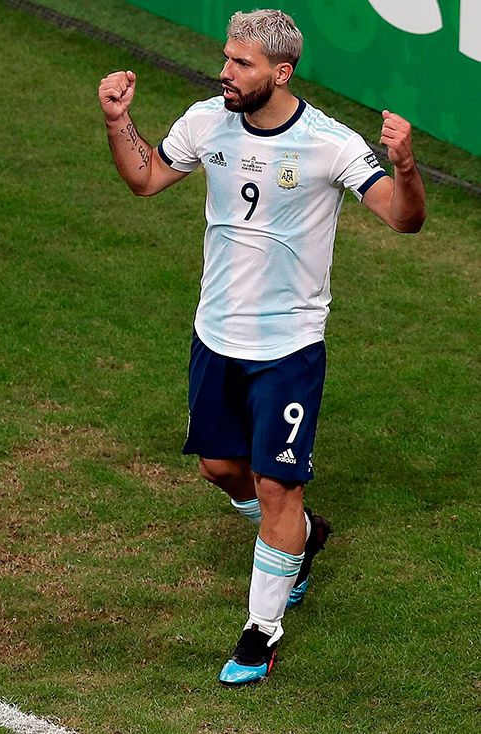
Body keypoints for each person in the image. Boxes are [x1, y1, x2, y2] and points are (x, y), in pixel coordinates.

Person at [97, 10, 425, 685]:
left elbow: (403, 219)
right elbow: (146, 179)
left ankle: (260, 632)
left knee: (278, 483)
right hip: (216, 336)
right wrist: (115, 121)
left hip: (290, 346)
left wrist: (408, 166)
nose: (225, 72)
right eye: (226, 58)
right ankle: (302, 537)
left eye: (241, 64)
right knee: (220, 469)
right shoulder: (204, 121)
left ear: (281, 71)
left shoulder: (330, 144)